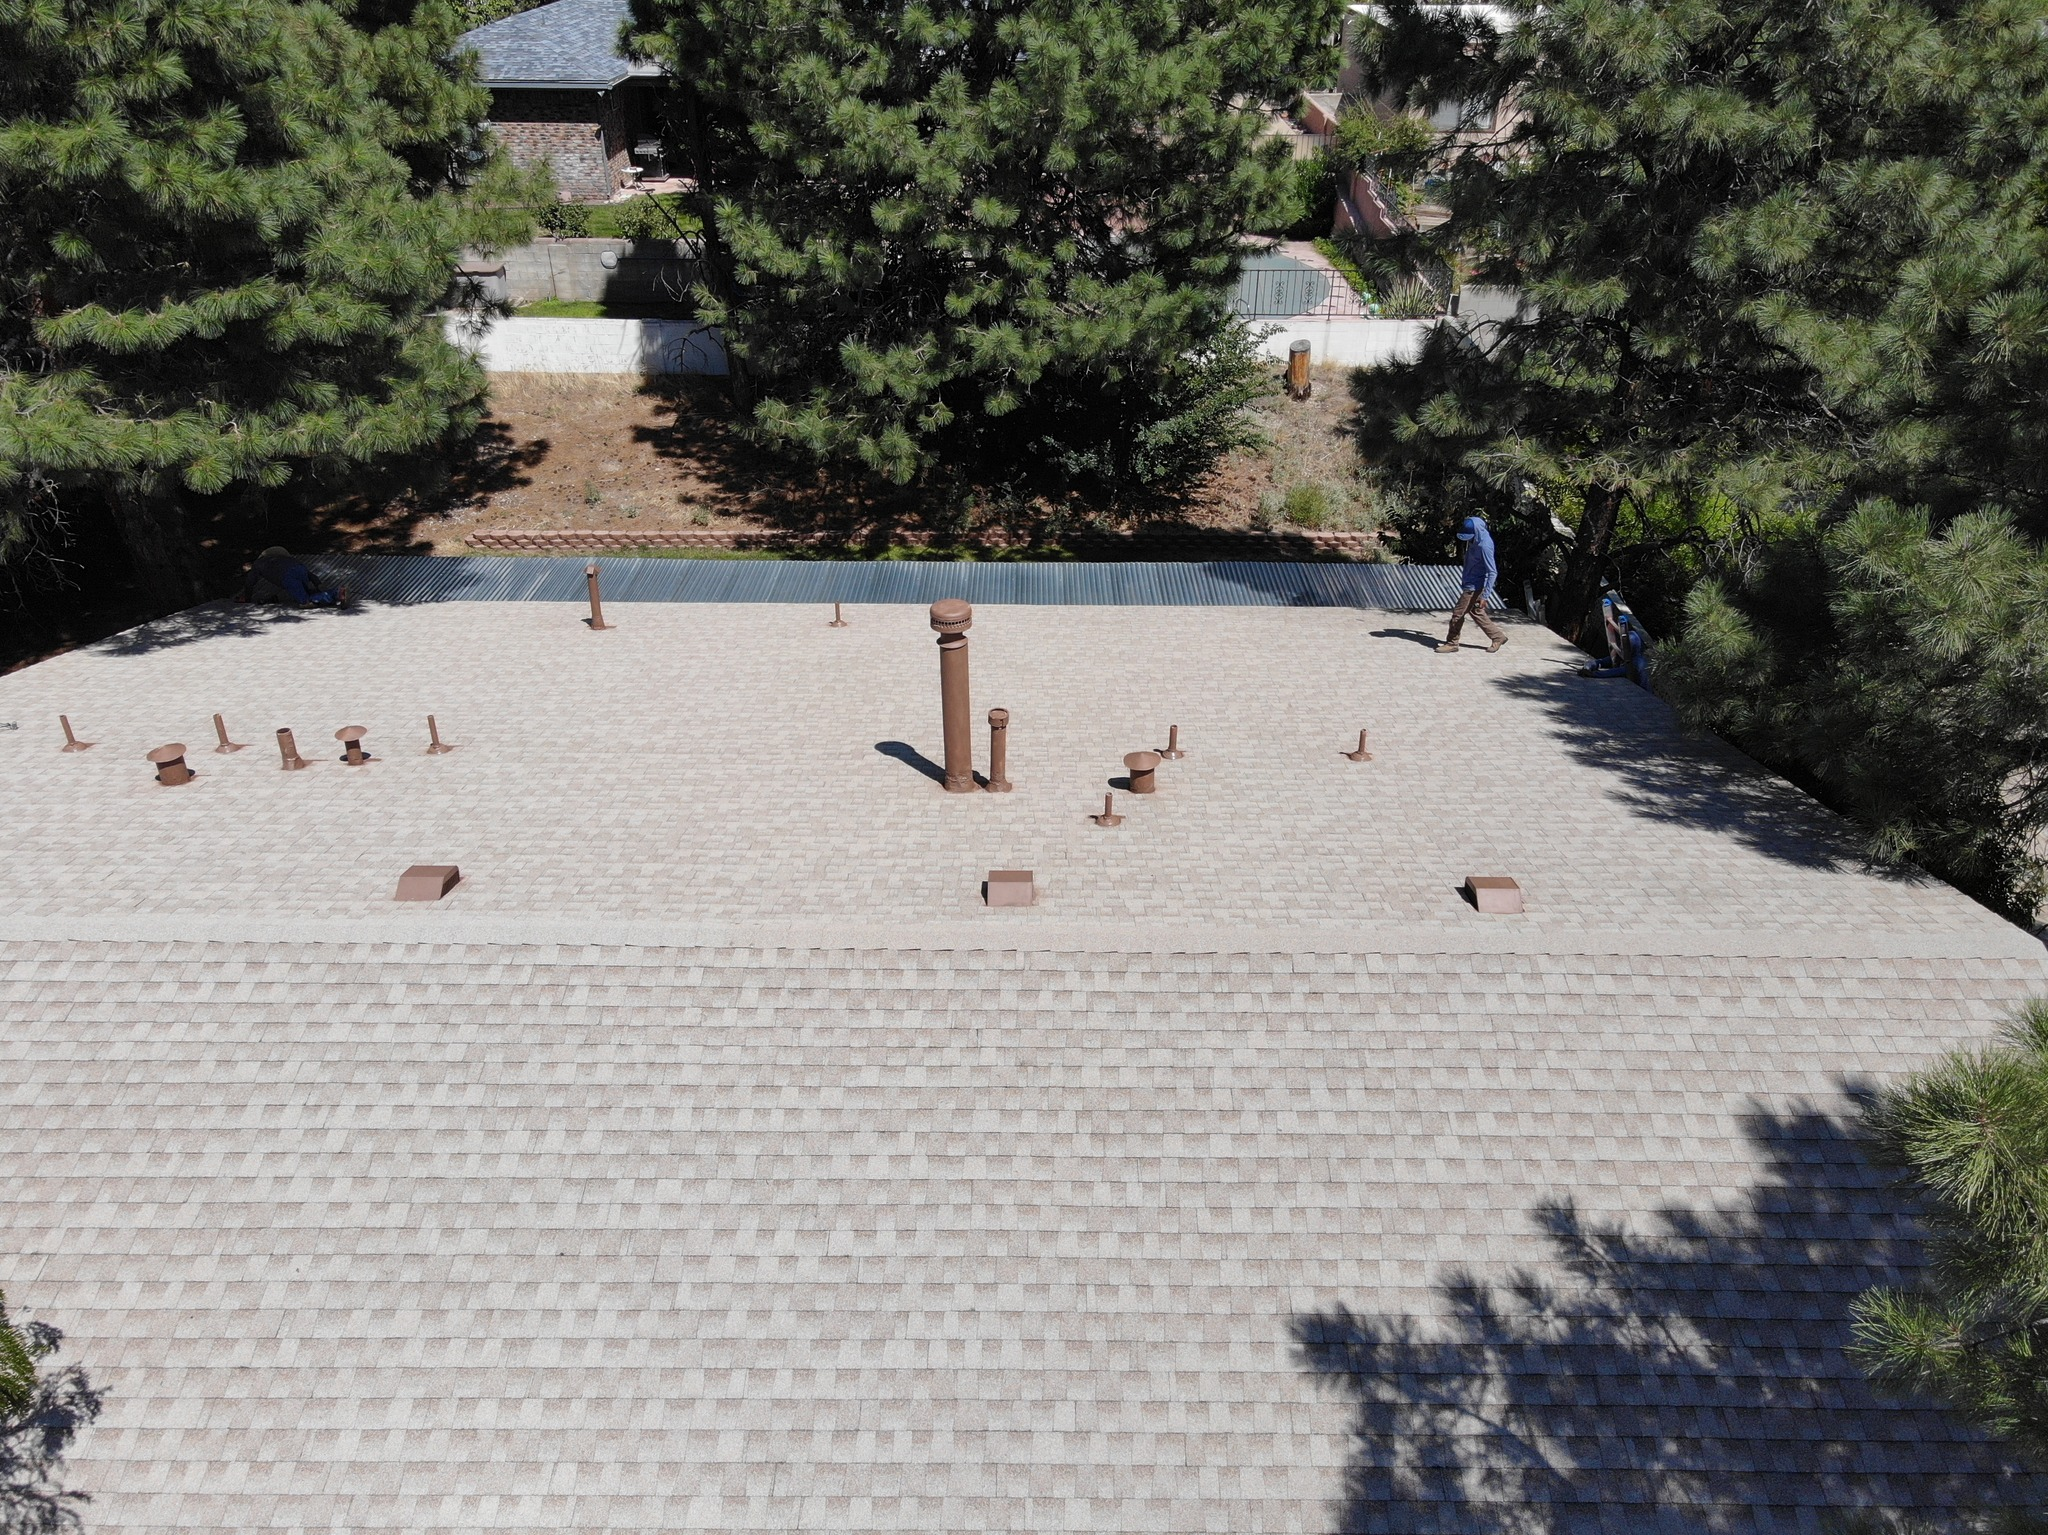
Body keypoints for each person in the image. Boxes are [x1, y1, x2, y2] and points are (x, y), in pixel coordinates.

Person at [1436, 515, 1508, 653]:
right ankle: (1498, 637)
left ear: (1477, 531)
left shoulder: (1485, 545)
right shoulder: (1476, 538)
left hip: (1474, 586)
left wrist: (1485, 596)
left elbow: (1493, 572)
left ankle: (1452, 643)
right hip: (1469, 581)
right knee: (1476, 612)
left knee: (1458, 614)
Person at [238, 547, 346, 607]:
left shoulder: (259, 563)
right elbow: (311, 575)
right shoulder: (288, 559)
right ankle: (336, 592)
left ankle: (335, 594)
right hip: (301, 569)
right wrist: (319, 585)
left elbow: (250, 582)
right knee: (307, 592)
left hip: (287, 576)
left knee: (305, 602)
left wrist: (247, 598)